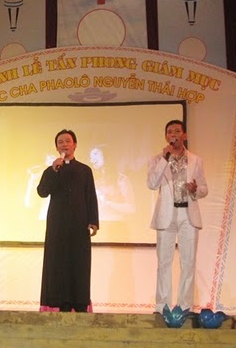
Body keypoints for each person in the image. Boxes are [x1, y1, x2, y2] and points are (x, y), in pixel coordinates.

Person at [147, 119, 208, 313]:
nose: (173, 134)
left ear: (184, 135)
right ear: (166, 136)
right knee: (164, 262)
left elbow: (204, 188)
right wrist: (164, 159)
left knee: (188, 262)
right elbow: (152, 183)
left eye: (177, 131)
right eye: (169, 132)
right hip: (167, 214)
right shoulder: (158, 159)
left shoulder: (196, 160)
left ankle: (185, 307)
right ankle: (162, 306)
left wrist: (196, 189)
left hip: (188, 214)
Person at [36, 129, 99, 312]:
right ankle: (59, 301)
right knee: (57, 263)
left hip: (79, 225)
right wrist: (53, 171)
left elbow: (90, 196)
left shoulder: (85, 170)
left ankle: (79, 302)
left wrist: (93, 220)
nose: (64, 144)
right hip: (57, 226)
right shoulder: (52, 170)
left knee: (79, 263)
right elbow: (42, 192)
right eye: (60, 142)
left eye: (68, 141)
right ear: (56, 147)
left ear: (75, 145)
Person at [89, 145, 135, 221]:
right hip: (96, 223)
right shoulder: (92, 180)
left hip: (115, 223)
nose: (92, 159)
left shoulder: (120, 179)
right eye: (90, 156)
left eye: (96, 154)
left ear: (106, 156)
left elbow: (131, 208)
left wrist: (108, 203)